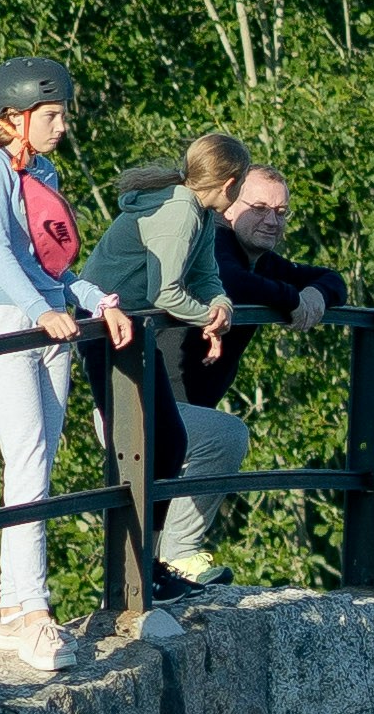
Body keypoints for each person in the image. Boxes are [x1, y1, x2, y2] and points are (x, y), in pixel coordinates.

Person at [0, 57, 132, 666]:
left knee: (41, 463)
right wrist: (37, 310)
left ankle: (10, 611)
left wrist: (97, 301)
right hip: (9, 321)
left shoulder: (44, 169)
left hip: (54, 322)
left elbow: (53, 266)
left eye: (61, 114)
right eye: (50, 115)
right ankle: (31, 610)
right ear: (14, 116)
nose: (61, 125)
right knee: (27, 458)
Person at [65, 135, 244, 593]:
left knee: (168, 444)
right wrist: (208, 316)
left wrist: (220, 306)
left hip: (133, 331)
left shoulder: (199, 213)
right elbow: (167, 293)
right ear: (230, 182)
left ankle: (148, 566)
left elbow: (204, 276)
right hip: (106, 328)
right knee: (151, 447)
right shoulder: (179, 209)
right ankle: (135, 571)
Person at [169, 151, 348, 579]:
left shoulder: (259, 258)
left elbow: (330, 277)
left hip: (181, 410)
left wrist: (316, 296)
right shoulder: (210, 237)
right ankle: (175, 561)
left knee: (210, 443)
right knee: (227, 436)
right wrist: (292, 299)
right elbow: (229, 281)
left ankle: (164, 570)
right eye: (260, 208)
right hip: (141, 403)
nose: (273, 220)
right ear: (229, 201)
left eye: (282, 211)